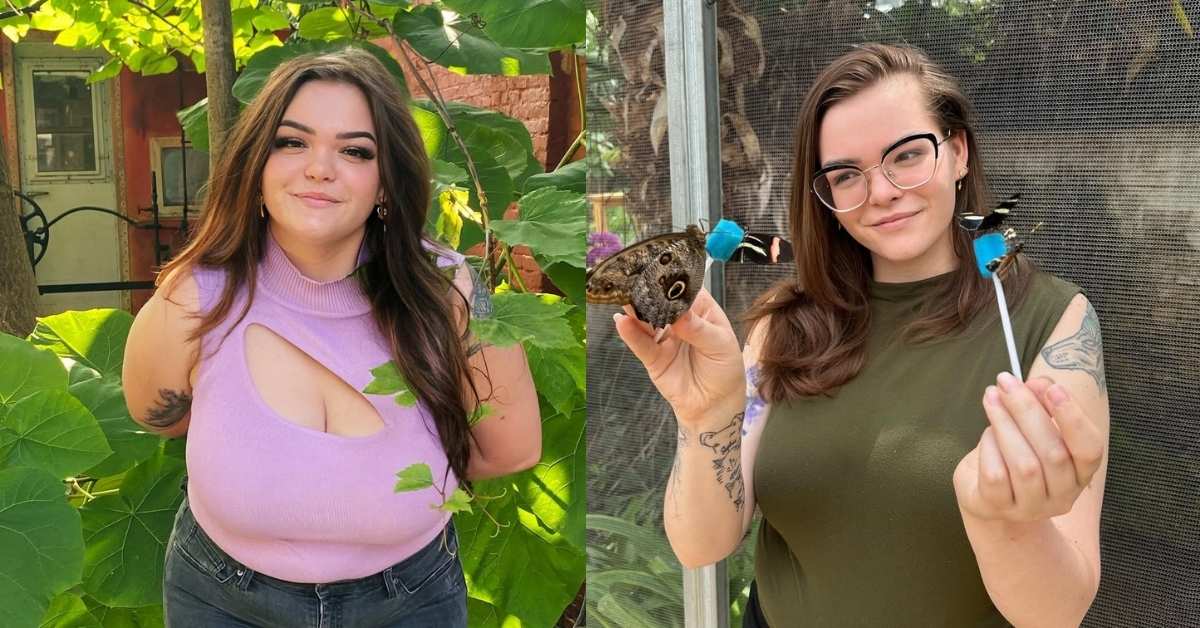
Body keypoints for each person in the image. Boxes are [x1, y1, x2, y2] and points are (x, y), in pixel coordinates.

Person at [614, 43, 1109, 627]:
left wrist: (1001, 520)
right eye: (846, 175)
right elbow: (701, 545)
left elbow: (1058, 614)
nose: (881, 192)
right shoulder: (783, 325)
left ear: (957, 152)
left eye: (907, 155)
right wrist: (706, 417)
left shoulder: (1052, 321)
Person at [122, 48, 541, 627]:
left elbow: (510, 448)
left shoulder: (451, 291)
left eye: (355, 150)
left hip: (410, 601)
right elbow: (158, 413)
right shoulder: (195, 295)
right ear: (256, 164)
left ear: (386, 182)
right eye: (292, 142)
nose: (320, 167)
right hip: (223, 600)